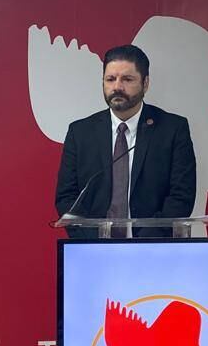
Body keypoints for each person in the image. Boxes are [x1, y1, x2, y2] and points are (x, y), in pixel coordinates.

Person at [54, 44, 195, 238]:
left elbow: (181, 197)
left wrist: (142, 244)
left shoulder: (172, 129)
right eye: (110, 79)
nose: (117, 87)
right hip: (93, 247)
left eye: (127, 79)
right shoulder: (80, 132)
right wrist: (93, 240)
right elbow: (67, 197)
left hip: (153, 246)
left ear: (145, 83)